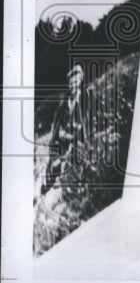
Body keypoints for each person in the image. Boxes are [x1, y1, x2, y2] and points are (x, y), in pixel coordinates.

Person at [41, 64, 89, 194]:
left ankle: (65, 188)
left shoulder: (85, 98)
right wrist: (55, 139)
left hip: (76, 141)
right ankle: (46, 189)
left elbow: (83, 122)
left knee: (68, 166)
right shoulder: (64, 103)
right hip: (62, 141)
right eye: (71, 83)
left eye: (76, 82)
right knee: (53, 164)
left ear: (81, 81)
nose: (73, 85)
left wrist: (71, 135)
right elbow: (56, 125)